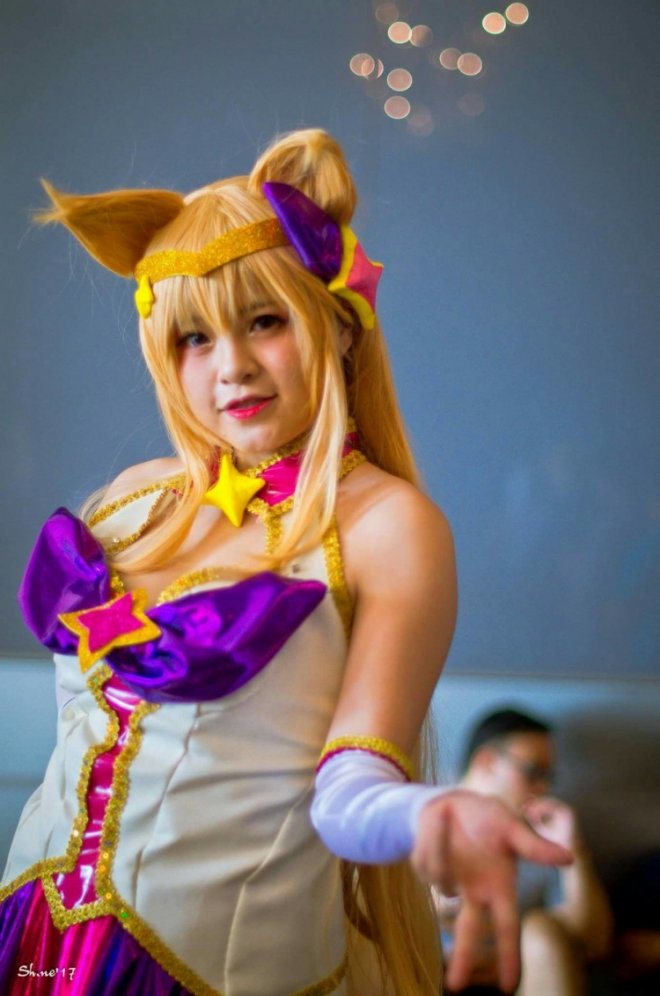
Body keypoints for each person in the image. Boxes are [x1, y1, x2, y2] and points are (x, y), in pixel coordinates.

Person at [0, 130, 570, 996]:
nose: (231, 367)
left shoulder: (388, 526)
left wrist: (426, 809)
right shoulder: (129, 501)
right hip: (34, 941)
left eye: (264, 321)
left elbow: (349, 786)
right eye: (194, 337)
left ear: (335, 324)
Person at [437, 707, 612, 995]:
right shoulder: (421, 820)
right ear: (486, 761)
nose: (543, 787)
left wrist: (573, 851)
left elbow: (593, 943)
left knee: (540, 932)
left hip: (519, 982)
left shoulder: (545, 837)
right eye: (533, 772)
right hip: (429, 976)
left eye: (548, 776)